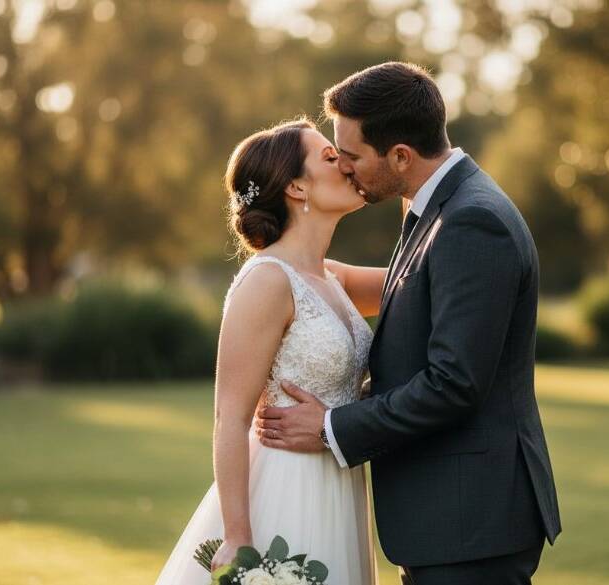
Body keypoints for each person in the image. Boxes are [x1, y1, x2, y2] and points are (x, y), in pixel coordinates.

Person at [256, 62, 562, 585]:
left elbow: (454, 383)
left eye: (351, 156)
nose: (345, 168)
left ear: (400, 155)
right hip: (450, 519)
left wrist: (331, 427)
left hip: (470, 523)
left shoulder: (471, 221)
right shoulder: (433, 210)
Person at [154, 117, 379, 585]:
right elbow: (229, 419)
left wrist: (410, 188)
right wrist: (238, 535)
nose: (348, 165)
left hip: (338, 484)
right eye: (331, 157)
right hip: (286, 488)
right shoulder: (267, 281)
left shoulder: (331, 278)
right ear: (297, 188)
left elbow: (418, 277)